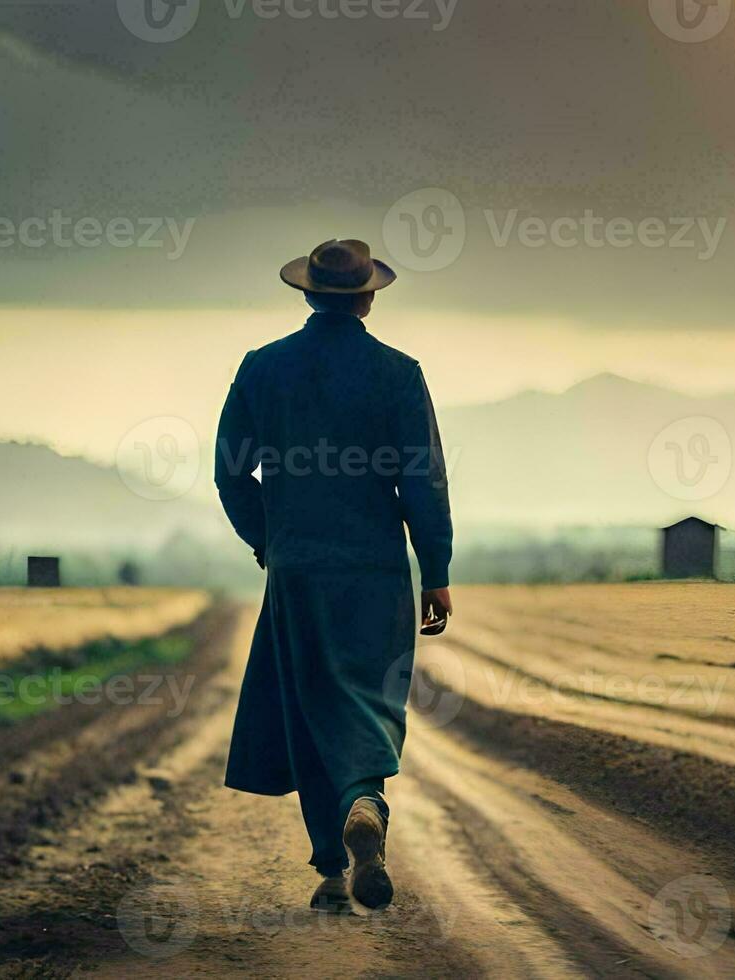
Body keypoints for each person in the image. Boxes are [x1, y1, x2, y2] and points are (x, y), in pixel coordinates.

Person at [215, 238, 454, 913]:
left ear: (308, 294)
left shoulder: (261, 369)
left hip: (298, 569)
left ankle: (329, 868)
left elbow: (229, 472)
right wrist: (434, 567)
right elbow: (424, 481)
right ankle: (366, 801)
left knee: (310, 704)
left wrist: (269, 538)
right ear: (368, 297)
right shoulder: (399, 373)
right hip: (375, 568)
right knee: (371, 699)